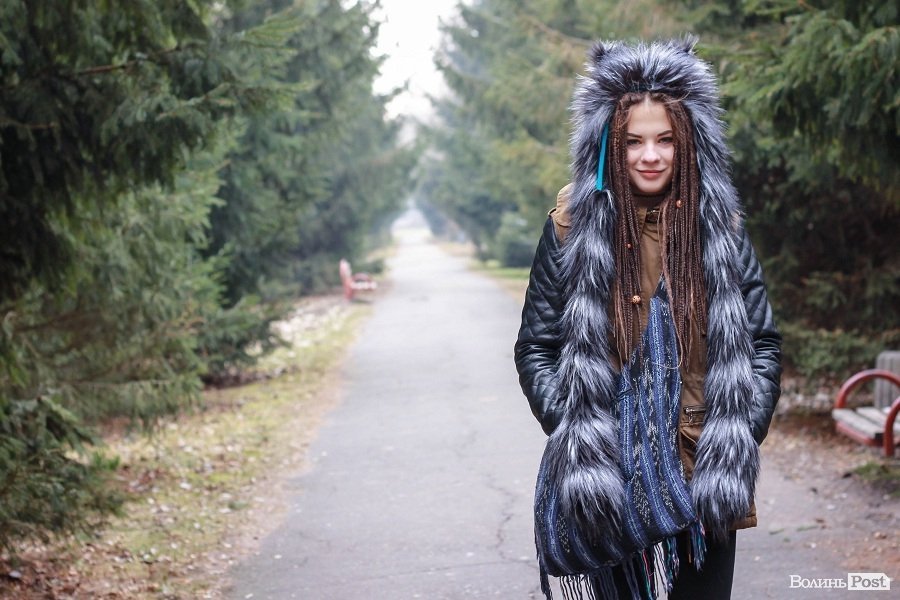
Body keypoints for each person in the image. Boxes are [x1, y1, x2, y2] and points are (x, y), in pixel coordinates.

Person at [514, 37, 782, 600]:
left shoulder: (720, 227)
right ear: (609, 143)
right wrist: (575, 429)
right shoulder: (571, 226)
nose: (650, 155)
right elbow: (537, 346)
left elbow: (761, 343)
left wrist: (738, 434)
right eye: (634, 141)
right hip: (611, 478)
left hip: (701, 473)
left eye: (665, 139)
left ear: (689, 140)